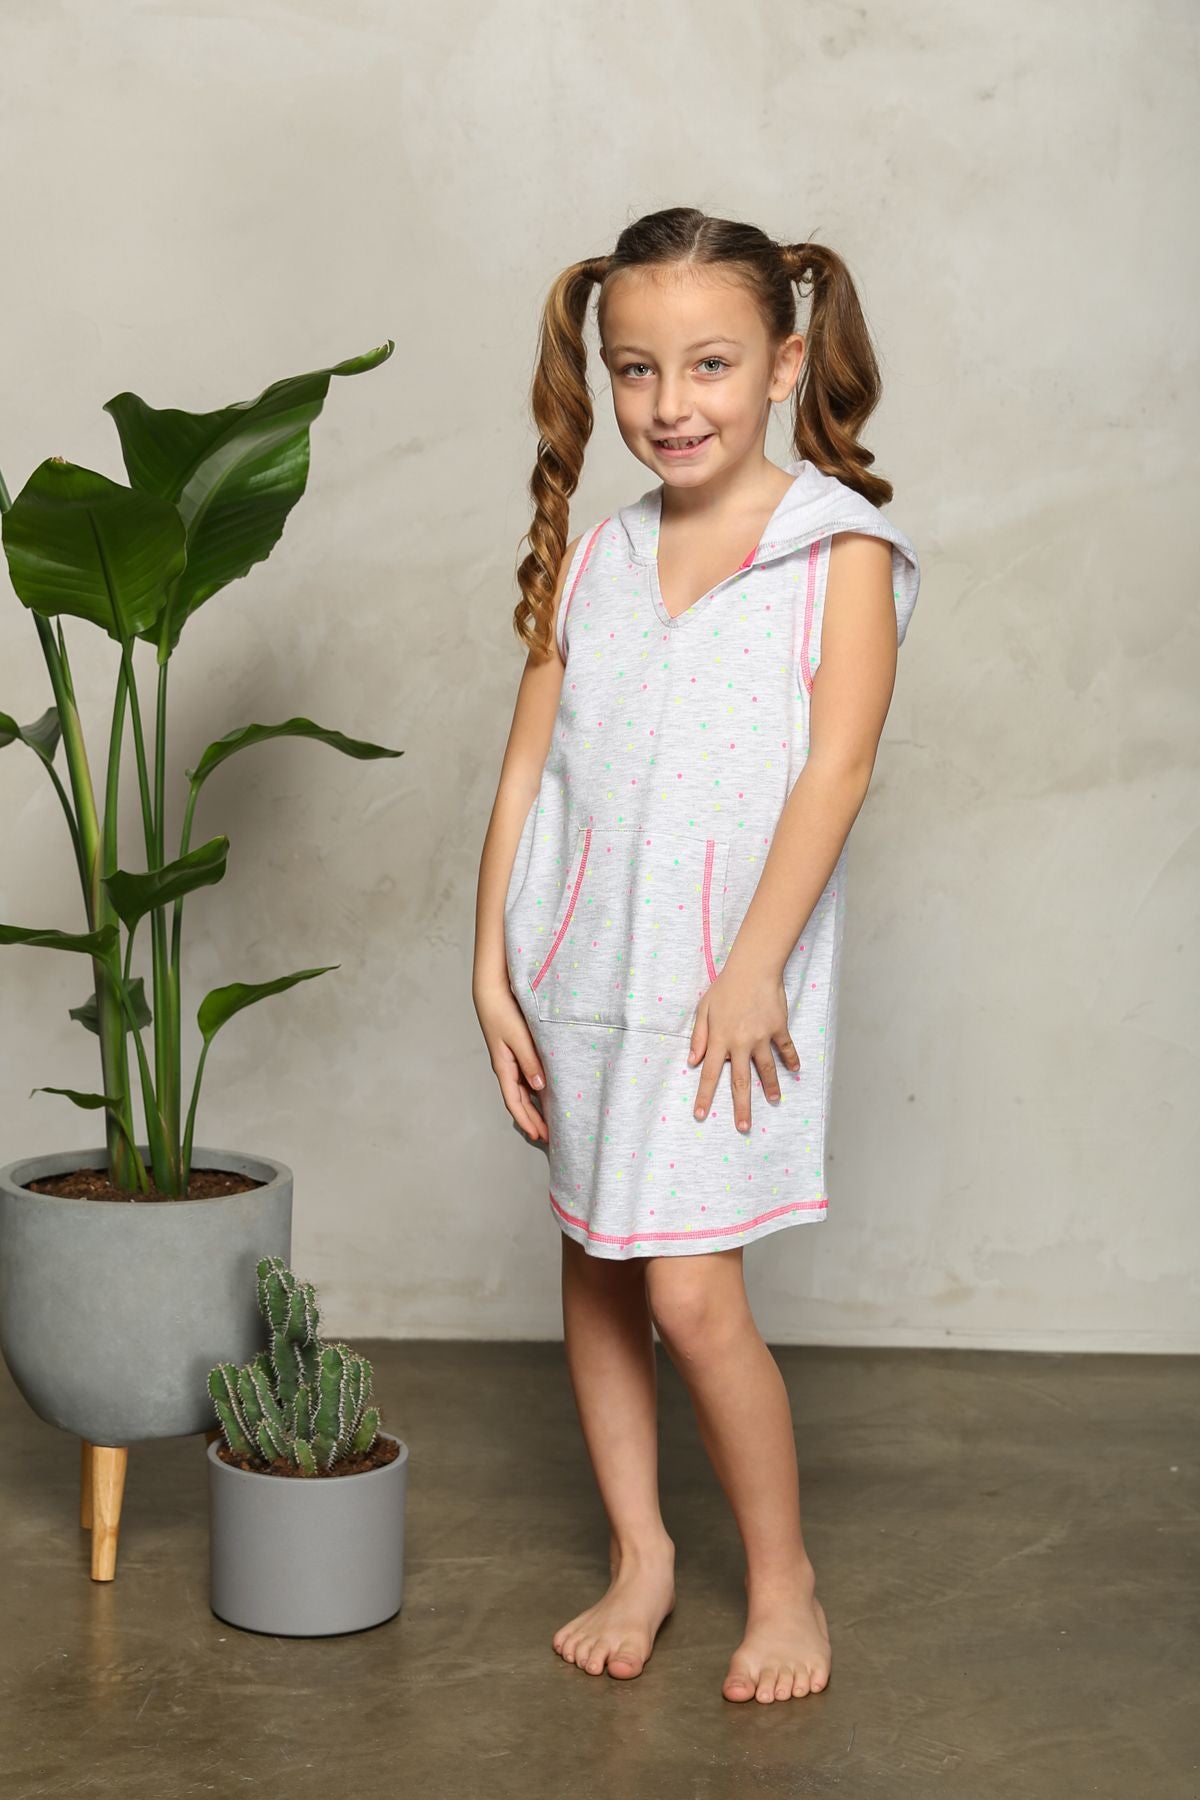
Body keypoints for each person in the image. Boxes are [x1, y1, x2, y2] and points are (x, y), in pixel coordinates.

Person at [472, 205, 921, 1705]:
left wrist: (756, 967)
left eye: (713, 364)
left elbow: (836, 772)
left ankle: (781, 1579)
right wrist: (492, 965)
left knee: (688, 1293)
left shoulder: (835, 552)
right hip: (584, 973)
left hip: (726, 989)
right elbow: (529, 771)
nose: (674, 405)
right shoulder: (595, 556)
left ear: (786, 363)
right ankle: (642, 1552)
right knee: (599, 1267)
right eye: (638, 371)